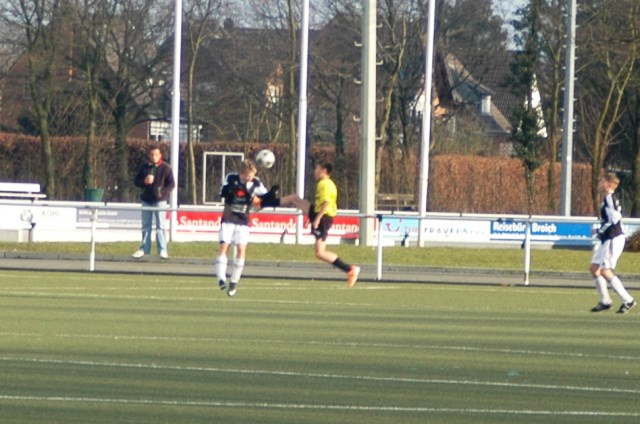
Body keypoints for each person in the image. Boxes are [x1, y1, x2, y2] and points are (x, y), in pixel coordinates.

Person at [278, 161, 360, 287]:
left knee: (320, 253)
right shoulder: (325, 183)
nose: (315, 171)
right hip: (319, 214)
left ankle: (350, 269)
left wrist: (317, 219)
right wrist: (312, 216)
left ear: (323, 170)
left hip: (323, 218)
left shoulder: (325, 184)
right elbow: (321, 204)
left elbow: (326, 204)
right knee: (294, 198)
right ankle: (265, 201)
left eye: (317, 169)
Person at [216, 159, 277, 296]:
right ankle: (221, 278)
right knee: (224, 246)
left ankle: (234, 282)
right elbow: (222, 192)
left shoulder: (256, 183)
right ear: (242, 173)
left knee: (241, 249)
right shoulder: (231, 178)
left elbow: (264, 198)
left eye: (252, 175)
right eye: (248, 175)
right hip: (229, 217)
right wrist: (233, 189)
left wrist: (269, 196)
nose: (250, 178)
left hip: (243, 220)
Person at [590, 172, 636, 314]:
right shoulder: (607, 199)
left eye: (602, 181)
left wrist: (600, 230)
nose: (599, 183)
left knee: (605, 271)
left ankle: (628, 300)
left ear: (609, 184)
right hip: (607, 239)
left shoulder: (609, 199)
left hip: (613, 238)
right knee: (594, 268)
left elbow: (615, 218)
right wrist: (600, 230)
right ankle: (605, 301)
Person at [132, 146, 176, 259]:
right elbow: (136, 181)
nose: (154, 157)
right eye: (152, 155)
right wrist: (144, 181)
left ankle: (162, 250)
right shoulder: (145, 167)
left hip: (160, 201)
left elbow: (171, 184)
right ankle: (144, 249)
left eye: (156, 154)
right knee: (146, 225)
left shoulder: (166, 168)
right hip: (146, 200)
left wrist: (162, 192)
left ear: (160, 155)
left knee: (160, 226)